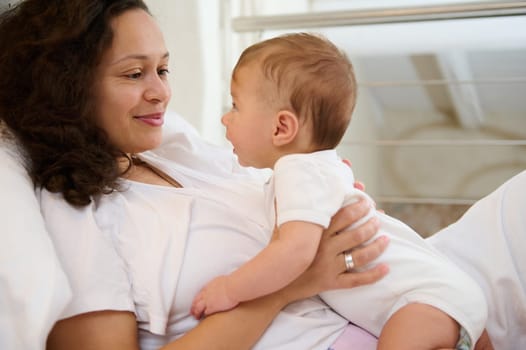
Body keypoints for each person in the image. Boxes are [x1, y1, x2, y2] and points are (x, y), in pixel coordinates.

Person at [0, 1, 389, 349]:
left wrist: (322, 197)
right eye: (135, 74)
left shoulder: (176, 155)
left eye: (162, 69)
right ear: (67, 88)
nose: (161, 92)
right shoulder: (74, 215)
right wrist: (291, 285)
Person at [190, 33, 488, 349]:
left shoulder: (298, 171)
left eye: (235, 106)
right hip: (449, 297)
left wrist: (230, 289)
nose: (225, 118)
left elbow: (294, 253)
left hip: (424, 302)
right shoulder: (320, 169)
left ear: (282, 128)